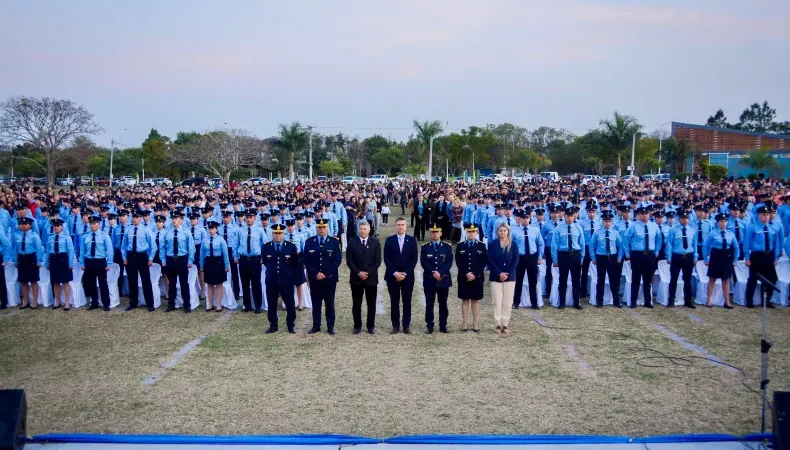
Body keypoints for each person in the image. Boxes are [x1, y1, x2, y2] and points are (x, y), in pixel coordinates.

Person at [303, 218, 342, 334]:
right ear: (316, 228)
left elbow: (337, 260)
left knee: (329, 303)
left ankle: (330, 326)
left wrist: (326, 274)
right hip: (315, 279)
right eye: (319, 227)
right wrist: (316, 273)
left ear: (327, 228)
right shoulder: (309, 242)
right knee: (316, 303)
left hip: (329, 278)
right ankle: (316, 326)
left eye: (324, 227)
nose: (322, 229)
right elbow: (306, 260)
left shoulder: (334, 242)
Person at [262, 224, 299, 333]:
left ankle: (290, 325)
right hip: (271, 280)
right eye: (275, 233)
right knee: (272, 304)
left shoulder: (291, 246)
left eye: (280, 233)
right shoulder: (266, 246)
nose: (278, 236)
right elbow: (265, 262)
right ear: (272, 234)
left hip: (286, 280)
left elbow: (295, 263)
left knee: (290, 304)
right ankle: (273, 325)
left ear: (283, 234)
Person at [383, 217, 418, 334]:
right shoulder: (389, 240)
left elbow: (413, 260)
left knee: (407, 301)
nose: (401, 226)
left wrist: (405, 273)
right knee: (394, 301)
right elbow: (387, 259)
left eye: (403, 224)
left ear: (406, 226)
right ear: (395, 226)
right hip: (393, 276)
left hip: (407, 277)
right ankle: (395, 326)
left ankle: (406, 325)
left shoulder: (412, 240)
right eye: (398, 225)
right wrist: (395, 273)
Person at [346, 220, 381, 334]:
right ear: (358, 230)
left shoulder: (375, 242)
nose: (362, 231)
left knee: (371, 304)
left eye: (365, 229)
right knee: (356, 304)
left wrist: (367, 273)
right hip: (356, 278)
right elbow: (349, 261)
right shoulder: (351, 242)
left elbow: (377, 261)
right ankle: (357, 326)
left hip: (371, 279)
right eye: (360, 229)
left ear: (369, 230)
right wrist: (358, 272)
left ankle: (370, 326)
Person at [743, 204, 780, 309]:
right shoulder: (753, 228)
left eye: (767, 215)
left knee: (771, 278)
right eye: (763, 215)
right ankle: (749, 301)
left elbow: (775, 244)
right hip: (757, 255)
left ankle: (766, 300)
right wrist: (747, 257)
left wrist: (775, 257)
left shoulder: (773, 228)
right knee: (753, 278)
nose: (766, 217)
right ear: (758, 215)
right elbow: (747, 243)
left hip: (769, 255)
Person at [624, 207, 661, 308]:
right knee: (635, 279)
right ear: (639, 215)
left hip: (649, 255)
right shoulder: (633, 226)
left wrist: (656, 251)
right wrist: (627, 254)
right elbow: (626, 239)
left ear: (649, 214)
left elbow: (659, 239)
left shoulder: (654, 226)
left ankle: (647, 301)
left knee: (648, 280)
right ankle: (633, 301)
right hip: (637, 255)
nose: (644, 216)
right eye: (642, 214)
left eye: (646, 214)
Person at [420, 223, 453, 334]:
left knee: (443, 303)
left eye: (437, 232)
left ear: (441, 233)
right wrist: (433, 273)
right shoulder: (425, 247)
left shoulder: (447, 247)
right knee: (429, 303)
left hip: (443, 280)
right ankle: (429, 325)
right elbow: (424, 263)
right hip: (429, 279)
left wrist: (441, 274)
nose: (435, 234)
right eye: (433, 232)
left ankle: (443, 325)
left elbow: (448, 263)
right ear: (430, 234)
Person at [552, 207, 586, 310]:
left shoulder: (578, 227)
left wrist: (582, 258)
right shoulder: (558, 228)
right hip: (564, 255)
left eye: (572, 216)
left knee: (576, 280)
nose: (570, 218)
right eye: (568, 216)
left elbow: (582, 244)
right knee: (563, 280)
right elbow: (554, 245)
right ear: (564, 216)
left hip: (575, 255)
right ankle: (562, 302)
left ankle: (576, 302)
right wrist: (555, 260)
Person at [122, 210, 156, 311]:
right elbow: (123, 246)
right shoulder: (128, 230)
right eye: (133, 217)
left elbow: (153, 246)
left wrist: (150, 258)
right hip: (131, 257)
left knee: (146, 280)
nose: (135, 219)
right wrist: (124, 258)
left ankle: (150, 304)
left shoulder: (146, 230)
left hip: (142, 257)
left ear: (140, 218)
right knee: (132, 281)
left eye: (137, 217)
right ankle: (133, 302)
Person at [488, 223, 519, 334]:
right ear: (497, 232)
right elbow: (490, 260)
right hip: (496, 277)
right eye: (500, 230)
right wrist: (499, 273)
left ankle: (505, 324)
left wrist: (507, 273)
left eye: (504, 230)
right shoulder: (492, 244)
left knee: (507, 302)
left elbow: (515, 260)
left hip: (510, 277)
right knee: (497, 301)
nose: (502, 232)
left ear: (508, 232)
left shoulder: (513, 244)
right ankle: (497, 324)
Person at [703, 213, 738, 309]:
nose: (723, 223)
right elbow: (706, 246)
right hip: (716, 256)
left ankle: (727, 301)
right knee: (712, 278)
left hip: (726, 256)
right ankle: (709, 300)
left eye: (725, 221)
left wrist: (735, 259)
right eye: (721, 221)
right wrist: (706, 259)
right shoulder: (713, 233)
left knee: (726, 279)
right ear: (717, 222)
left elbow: (736, 247)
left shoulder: (730, 233)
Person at [455, 223, 486, 331]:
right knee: (465, 300)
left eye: (473, 231)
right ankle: (465, 323)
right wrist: (466, 273)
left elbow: (483, 262)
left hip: (477, 277)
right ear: (466, 232)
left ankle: (475, 323)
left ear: (477, 232)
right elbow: (458, 261)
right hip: (464, 277)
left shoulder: (481, 246)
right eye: (469, 231)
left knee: (475, 300)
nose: (471, 233)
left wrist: (475, 274)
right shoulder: (460, 245)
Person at [163, 210, 196, 313]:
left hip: (182, 259)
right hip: (171, 259)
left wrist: (190, 261)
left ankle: (187, 305)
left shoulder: (186, 232)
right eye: (172, 218)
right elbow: (163, 247)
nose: (174, 220)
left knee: (184, 284)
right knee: (171, 283)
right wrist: (164, 260)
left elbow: (191, 248)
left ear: (181, 220)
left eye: (176, 218)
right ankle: (171, 304)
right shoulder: (167, 232)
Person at [79, 216, 113, 311]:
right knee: (91, 284)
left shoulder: (104, 236)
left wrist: (109, 263)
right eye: (91, 224)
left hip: (100, 261)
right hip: (89, 262)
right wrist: (82, 263)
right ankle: (94, 303)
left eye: (94, 223)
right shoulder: (86, 236)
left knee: (103, 284)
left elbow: (109, 250)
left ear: (99, 224)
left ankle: (106, 304)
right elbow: (82, 251)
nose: (92, 225)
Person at [590, 210, 623, 308]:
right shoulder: (597, 233)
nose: (607, 223)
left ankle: (616, 301)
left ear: (612, 222)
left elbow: (620, 246)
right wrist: (593, 258)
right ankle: (599, 301)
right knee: (601, 280)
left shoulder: (615, 233)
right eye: (605, 221)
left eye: (609, 221)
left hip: (612, 258)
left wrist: (619, 257)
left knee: (614, 280)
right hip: (601, 258)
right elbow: (592, 246)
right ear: (602, 222)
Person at [236, 210, 266, 313]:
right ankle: (247, 305)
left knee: (256, 283)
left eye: (251, 217)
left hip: (255, 260)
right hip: (244, 259)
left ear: (254, 218)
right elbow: (236, 244)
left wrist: (263, 258)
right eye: (247, 217)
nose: (248, 219)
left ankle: (258, 305)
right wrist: (236, 257)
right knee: (244, 284)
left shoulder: (259, 230)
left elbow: (265, 245)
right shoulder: (240, 230)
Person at [14, 216, 45, 309]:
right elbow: (15, 249)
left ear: (30, 225)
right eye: (21, 224)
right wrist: (16, 260)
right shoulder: (17, 235)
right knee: (23, 281)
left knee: (33, 281)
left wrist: (39, 260)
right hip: (21, 258)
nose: (23, 226)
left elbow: (39, 249)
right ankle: (25, 301)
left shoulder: (34, 236)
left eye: (25, 224)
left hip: (31, 258)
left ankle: (35, 302)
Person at [200, 220, 229, 312]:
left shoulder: (221, 240)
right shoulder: (205, 240)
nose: (210, 230)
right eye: (209, 228)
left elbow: (225, 253)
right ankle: (210, 304)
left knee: (219, 283)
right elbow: (202, 254)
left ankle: (219, 305)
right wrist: (201, 265)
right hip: (209, 262)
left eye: (212, 228)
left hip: (218, 262)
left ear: (216, 229)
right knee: (209, 284)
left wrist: (226, 265)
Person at [46, 218, 75, 310]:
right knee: (55, 282)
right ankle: (57, 301)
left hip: (63, 259)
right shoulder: (51, 237)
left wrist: (71, 263)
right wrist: (47, 262)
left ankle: (67, 302)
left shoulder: (67, 237)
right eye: (54, 226)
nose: (56, 228)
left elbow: (71, 251)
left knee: (65, 282)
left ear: (62, 227)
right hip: (54, 259)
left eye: (58, 226)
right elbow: (47, 251)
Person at [219, 211, 239, 300]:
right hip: (222, 251)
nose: (225, 219)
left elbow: (237, 243)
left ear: (230, 218)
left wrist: (236, 255)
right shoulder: (219, 228)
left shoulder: (235, 228)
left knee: (234, 272)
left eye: (227, 217)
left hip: (231, 250)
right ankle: (223, 293)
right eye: (224, 217)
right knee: (223, 271)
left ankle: (236, 292)